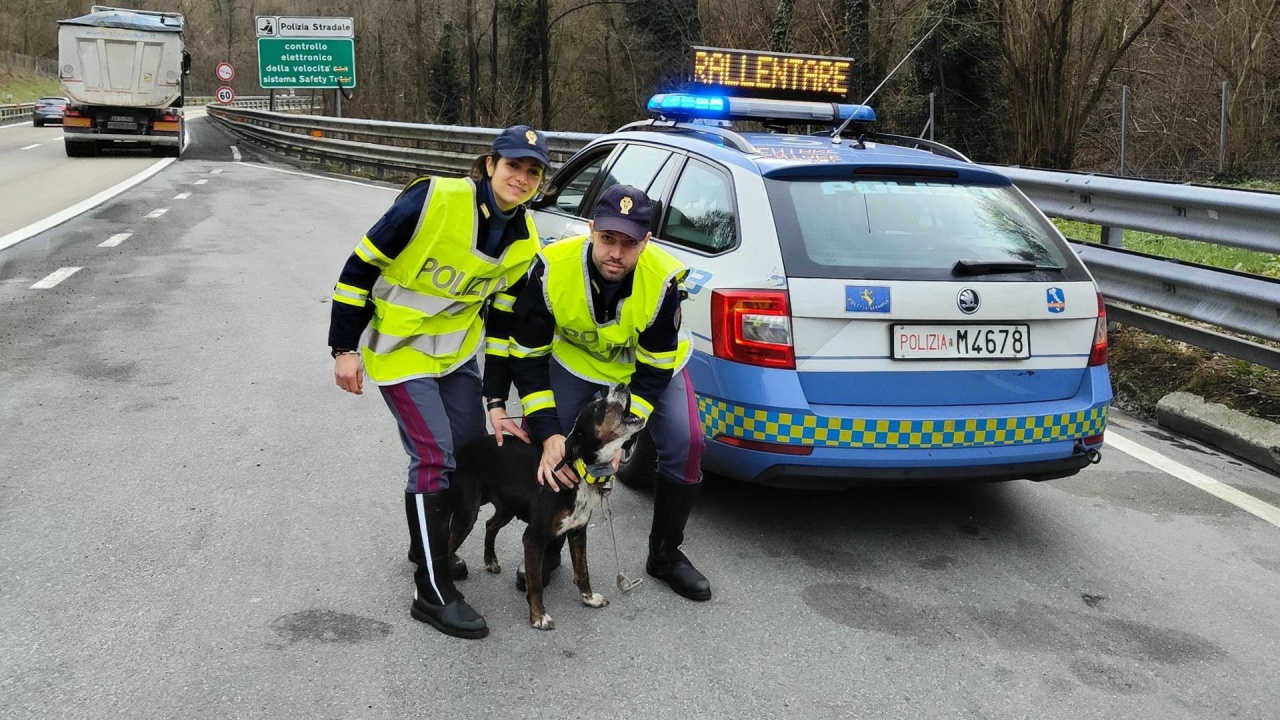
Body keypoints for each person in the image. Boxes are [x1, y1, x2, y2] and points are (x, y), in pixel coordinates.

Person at [328, 125, 550, 639]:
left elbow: (500, 322)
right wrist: (343, 348)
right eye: (513, 165)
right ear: (491, 163)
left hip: (453, 357)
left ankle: (424, 543)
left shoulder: (525, 240)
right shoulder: (433, 199)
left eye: (532, 171)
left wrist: (496, 401)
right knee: (433, 456)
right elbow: (360, 267)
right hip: (399, 351)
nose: (521, 177)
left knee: (471, 446)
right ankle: (431, 591)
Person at [509, 184, 712, 601]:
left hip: (645, 367)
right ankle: (548, 545)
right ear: (590, 230)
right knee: (544, 441)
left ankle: (666, 555)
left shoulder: (662, 279)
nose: (615, 253)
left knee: (687, 441)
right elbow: (527, 356)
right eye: (607, 239)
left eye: (629, 243)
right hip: (577, 361)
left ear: (646, 242)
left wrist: (624, 436)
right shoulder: (551, 267)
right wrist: (548, 431)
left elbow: (655, 369)